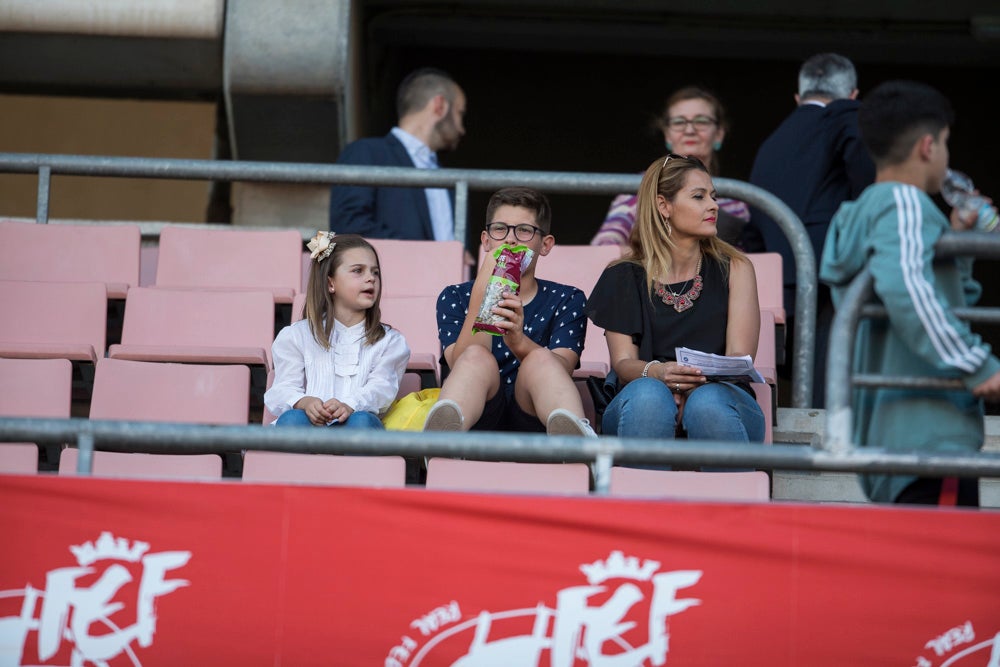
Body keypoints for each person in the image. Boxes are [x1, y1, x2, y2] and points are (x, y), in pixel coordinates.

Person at [820, 79, 1000, 507]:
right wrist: (977, 364)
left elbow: (936, 292)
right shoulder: (902, 203)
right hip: (928, 434)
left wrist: (957, 247)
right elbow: (907, 288)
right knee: (945, 570)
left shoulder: (871, 206)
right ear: (927, 147)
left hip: (898, 433)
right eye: (945, 143)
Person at [586, 154, 766, 448]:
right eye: (699, 196)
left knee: (707, 402)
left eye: (713, 196)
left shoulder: (735, 267)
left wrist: (689, 389)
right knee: (648, 395)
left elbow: (738, 361)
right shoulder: (623, 275)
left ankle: (730, 493)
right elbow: (623, 363)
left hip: (722, 397)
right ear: (663, 205)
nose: (713, 205)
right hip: (642, 398)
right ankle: (643, 494)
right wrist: (659, 373)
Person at [742, 53, 876, 408]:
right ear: (853, 94)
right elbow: (870, 181)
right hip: (828, 272)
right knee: (830, 374)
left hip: (778, 276)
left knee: (809, 376)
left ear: (799, 98)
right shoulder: (846, 116)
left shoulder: (772, 142)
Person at [423, 187, 596, 437]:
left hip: (537, 415)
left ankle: (576, 444)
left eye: (524, 230)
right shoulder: (454, 296)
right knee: (475, 356)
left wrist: (519, 342)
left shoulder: (567, 299)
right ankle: (441, 441)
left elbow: (563, 369)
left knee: (539, 359)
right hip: (475, 413)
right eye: (500, 229)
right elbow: (457, 363)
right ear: (486, 240)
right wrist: (484, 288)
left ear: (545, 245)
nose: (510, 240)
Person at [264, 232, 410, 428]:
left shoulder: (390, 341)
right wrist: (304, 402)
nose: (371, 278)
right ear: (330, 283)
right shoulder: (296, 336)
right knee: (292, 419)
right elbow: (283, 388)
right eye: (358, 271)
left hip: (357, 431)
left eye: (375, 272)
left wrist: (350, 405)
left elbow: (382, 388)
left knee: (361, 421)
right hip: (310, 430)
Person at [590, 86, 750, 248]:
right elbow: (605, 245)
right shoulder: (641, 185)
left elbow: (749, 259)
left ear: (719, 135)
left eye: (701, 121)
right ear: (667, 135)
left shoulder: (735, 198)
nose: (689, 130)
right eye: (679, 122)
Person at [329, 67, 467, 242]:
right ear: (440, 106)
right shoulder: (367, 153)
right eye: (460, 113)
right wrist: (424, 254)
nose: (462, 129)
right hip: (391, 269)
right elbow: (347, 227)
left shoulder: (450, 180)